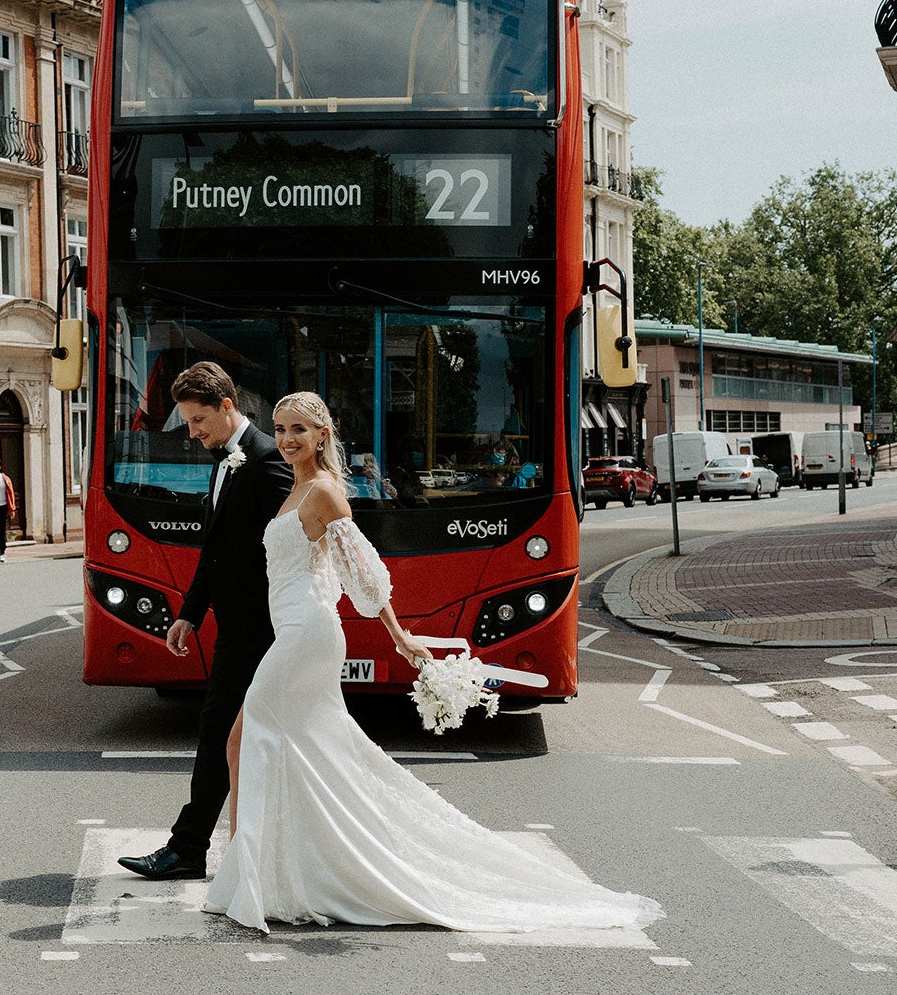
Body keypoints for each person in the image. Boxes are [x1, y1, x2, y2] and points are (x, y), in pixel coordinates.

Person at [200, 390, 663, 935]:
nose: (286, 439)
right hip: (297, 626)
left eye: (298, 429)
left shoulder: (323, 491)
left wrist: (400, 636)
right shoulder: (296, 486)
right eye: (279, 429)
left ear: (322, 435)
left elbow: (363, 573)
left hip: (307, 634)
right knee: (304, 749)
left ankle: (244, 872)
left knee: (242, 738)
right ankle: (279, 870)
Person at [120, 361, 293, 883]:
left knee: (223, 730)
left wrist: (282, 620)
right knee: (233, 733)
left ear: (225, 406)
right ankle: (199, 847)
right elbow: (216, 547)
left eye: (197, 422)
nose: (192, 434)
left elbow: (293, 548)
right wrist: (190, 614)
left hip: (261, 630)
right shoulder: (227, 459)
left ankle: (189, 847)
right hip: (235, 627)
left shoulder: (266, 460)